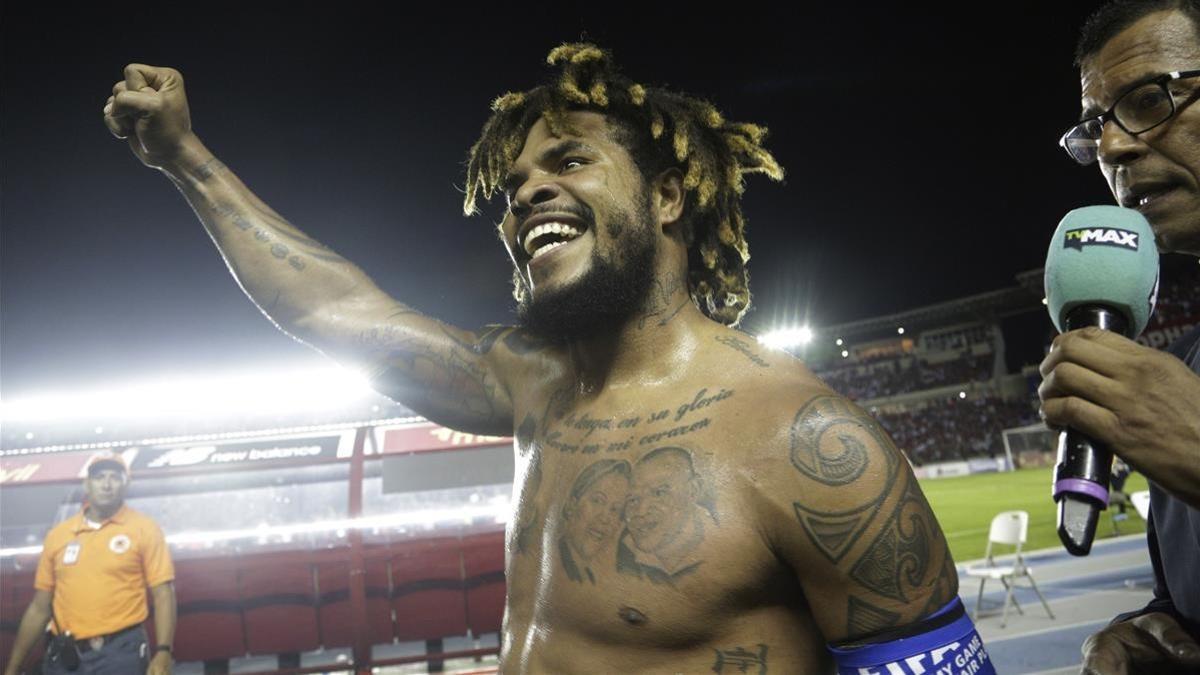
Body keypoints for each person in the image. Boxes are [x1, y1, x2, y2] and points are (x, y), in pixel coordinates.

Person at [102, 44, 987, 673]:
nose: (527, 192)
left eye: (570, 160)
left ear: (669, 196)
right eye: (516, 183)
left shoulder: (804, 442)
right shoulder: (533, 383)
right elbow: (337, 308)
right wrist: (185, 158)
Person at [1043, 1, 1200, 672]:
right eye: (1093, 127)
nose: (1110, 147)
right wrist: (1154, 626)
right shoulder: (1185, 369)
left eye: (1147, 99)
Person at [2, 452, 176, 675]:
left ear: (125, 484)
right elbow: (39, 607)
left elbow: (163, 594)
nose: (106, 484)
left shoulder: (144, 529)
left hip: (121, 652)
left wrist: (163, 651)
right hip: (66, 656)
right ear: (87, 483)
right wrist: (13, 667)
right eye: (99, 477)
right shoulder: (59, 536)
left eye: (114, 477)